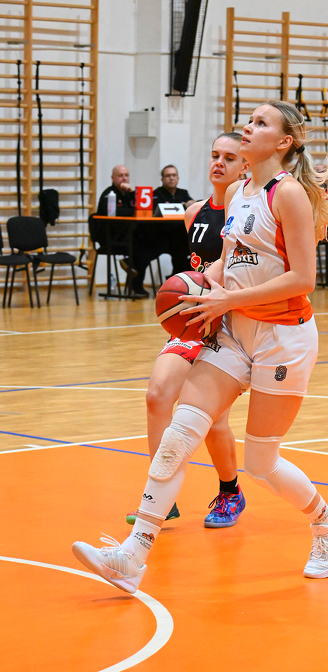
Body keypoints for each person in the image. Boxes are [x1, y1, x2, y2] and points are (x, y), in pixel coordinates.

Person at [72, 100, 328, 595]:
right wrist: (197, 288)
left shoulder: (287, 194)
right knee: (179, 434)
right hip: (235, 332)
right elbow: (229, 261)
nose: (248, 127)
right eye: (249, 119)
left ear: (284, 142)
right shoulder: (239, 192)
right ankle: (132, 555)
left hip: (283, 339)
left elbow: (303, 278)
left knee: (261, 465)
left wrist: (229, 297)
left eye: (261, 123)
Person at [125, 132, 250, 528]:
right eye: (215, 155)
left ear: (245, 166)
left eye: (229, 157)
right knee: (157, 396)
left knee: (214, 421)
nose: (219, 163)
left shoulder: (249, 211)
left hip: (228, 326)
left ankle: (230, 492)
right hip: (193, 323)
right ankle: (162, 496)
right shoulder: (193, 212)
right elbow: (194, 271)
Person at [128, 166, 194, 297]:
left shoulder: (183, 193)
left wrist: (192, 203)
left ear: (178, 178)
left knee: (187, 252)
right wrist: (183, 206)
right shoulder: (156, 194)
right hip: (159, 236)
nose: (171, 178)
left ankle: (177, 284)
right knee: (143, 253)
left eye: (174, 175)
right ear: (162, 179)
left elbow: (191, 207)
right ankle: (136, 285)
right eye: (168, 176)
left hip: (178, 237)